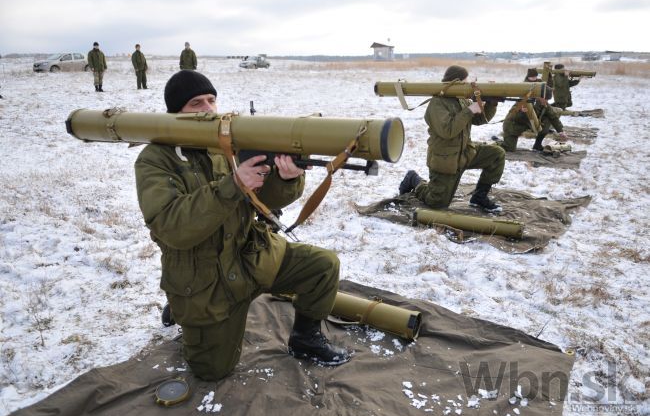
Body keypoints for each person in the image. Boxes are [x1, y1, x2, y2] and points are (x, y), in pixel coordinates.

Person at [134, 70, 350, 381]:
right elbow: (172, 226)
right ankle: (182, 306)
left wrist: (286, 178)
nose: (208, 109)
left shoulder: (226, 144)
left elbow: (263, 199)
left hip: (251, 255)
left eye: (212, 100)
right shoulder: (156, 160)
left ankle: (305, 338)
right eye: (196, 103)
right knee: (212, 370)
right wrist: (232, 184)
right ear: (175, 113)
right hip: (206, 279)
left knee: (323, 266)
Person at [399, 65, 505, 213]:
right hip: (446, 160)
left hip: (465, 153)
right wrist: (469, 110)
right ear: (456, 82)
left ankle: (479, 197)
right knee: (436, 203)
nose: (467, 85)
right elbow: (447, 131)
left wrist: (491, 102)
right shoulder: (437, 103)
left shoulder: (461, 100)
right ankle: (413, 179)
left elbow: (480, 120)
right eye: (465, 82)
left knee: (496, 154)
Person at [500, 96, 566, 152]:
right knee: (509, 149)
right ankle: (497, 142)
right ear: (539, 97)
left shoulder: (545, 105)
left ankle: (537, 145)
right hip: (513, 127)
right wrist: (521, 112)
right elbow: (513, 116)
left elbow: (553, 117)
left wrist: (561, 131)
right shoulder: (526, 101)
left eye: (547, 100)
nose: (546, 101)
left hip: (528, 125)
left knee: (548, 119)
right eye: (545, 99)